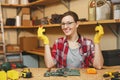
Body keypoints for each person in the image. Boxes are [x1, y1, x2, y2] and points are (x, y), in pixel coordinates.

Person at [37, 11, 104, 69]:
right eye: (63, 24)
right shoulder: (58, 43)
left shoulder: (88, 43)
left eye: (69, 23)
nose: (65, 27)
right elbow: (49, 65)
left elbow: (98, 66)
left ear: (77, 24)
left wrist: (97, 42)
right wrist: (45, 42)